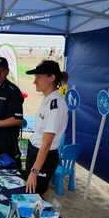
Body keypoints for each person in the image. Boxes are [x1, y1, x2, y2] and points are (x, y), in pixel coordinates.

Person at [25, 60, 68, 195]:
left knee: (34, 195)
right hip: (36, 153)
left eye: (39, 77)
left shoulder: (55, 104)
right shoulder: (48, 99)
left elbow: (47, 143)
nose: (35, 81)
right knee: (28, 193)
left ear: (52, 78)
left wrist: (34, 171)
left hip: (43, 158)